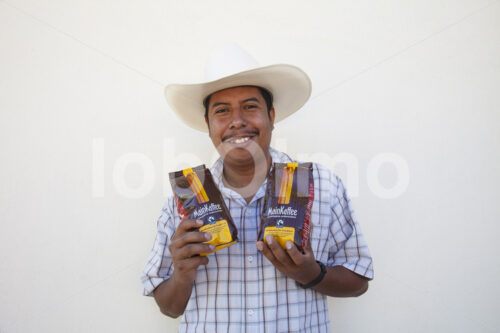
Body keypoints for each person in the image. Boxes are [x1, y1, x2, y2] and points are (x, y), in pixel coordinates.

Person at [141, 44, 374, 332]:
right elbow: (168, 307)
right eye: (222, 111)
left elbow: (358, 281)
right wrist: (181, 275)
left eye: (250, 107)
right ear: (208, 124)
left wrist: (311, 274)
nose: (237, 121)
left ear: (271, 115)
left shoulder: (322, 186)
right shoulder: (184, 201)